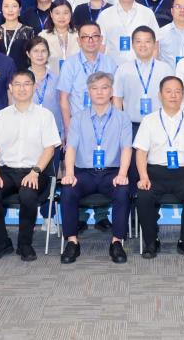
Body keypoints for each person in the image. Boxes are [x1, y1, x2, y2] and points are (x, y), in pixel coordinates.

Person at [0, 70, 60, 261]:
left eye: (27, 84)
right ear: (10, 88)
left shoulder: (45, 115)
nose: (22, 88)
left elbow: (49, 149)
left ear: (34, 87)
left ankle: (25, 244)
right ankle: (2, 242)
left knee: (28, 194)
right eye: (17, 84)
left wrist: (35, 172)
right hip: (6, 172)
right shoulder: (1, 116)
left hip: (35, 171)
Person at [59, 71, 133, 264]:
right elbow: (71, 148)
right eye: (94, 88)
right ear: (89, 92)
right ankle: (72, 241)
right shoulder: (78, 118)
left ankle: (117, 242)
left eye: (104, 88)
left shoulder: (122, 118)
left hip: (111, 173)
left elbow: (126, 148)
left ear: (111, 91)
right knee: (68, 190)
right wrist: (69, 173)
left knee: (123, 190)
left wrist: (122, 174)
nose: (99, 92)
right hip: (84, 173)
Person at [133, 76, 184, 259]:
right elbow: (141, 152)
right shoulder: (149, 120)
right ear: (160, 95)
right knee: (144, 195)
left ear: (183, 95)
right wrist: (143, 177)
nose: (173, 95)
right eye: (168, 91)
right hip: (155, 173)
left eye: (177, 91)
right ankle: (151, 241)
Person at [57, 21, 118, 132]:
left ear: (101, 39)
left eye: (95, 36)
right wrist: (68, 129)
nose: (90, 40)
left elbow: (115, 97)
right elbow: (63, 98)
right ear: (79, 41)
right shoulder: (69, 64)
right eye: (85, 37)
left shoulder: (110, 63)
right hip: (78, 125)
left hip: (105, 125)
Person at [113, 26, 173, 136]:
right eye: (138, 41)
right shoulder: (123, 69)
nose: (143, 45)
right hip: (131, 127)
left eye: (147, 41)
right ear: (132, 45)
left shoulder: (166, 69)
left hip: (159, 127)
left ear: (154, 44)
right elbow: (117, 99)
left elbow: (172, 99)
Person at [97, 0, 159, 67]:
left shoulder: (147, 13)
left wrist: (150, 69)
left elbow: (155, 45)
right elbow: (100, 46)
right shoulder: (105, 15)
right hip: (112, 69)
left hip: (142, 68)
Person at [25, 37, 63, 138]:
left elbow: (62, 106)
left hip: (53, 133)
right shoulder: (21, 79)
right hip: (28, 133)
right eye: (35, 51)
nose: (40, 55)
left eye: (43, 51)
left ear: (48, 54)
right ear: (28, 54)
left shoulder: (56, 79)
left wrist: (63, 131)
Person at [39, 0, 79, 74]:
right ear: (51, 14)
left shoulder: (79, 35)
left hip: (76, 76)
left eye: (65, 13)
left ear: (71, 14)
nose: (61, 17)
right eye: (57, 13)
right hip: (51, 78)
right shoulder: (43, 36)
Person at [157, 0, 184, 68]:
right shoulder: (161, 33)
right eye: (178, 7)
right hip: (168, 74)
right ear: (172, 11)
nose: (182, 10)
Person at [0, 0, 35, 70]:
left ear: (20, 9)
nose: (10, 10)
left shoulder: (29, 31)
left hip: (22, 74)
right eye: (6, 6)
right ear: (1, 9)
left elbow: (33, 56)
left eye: (14, 6)